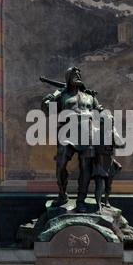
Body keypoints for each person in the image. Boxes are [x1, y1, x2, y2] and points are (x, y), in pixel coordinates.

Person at [41, 66, 104, 213]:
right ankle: (62, 194)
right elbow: (47, 111)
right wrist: (49, 98)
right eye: (74, 74)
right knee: (61, 164)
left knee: (85, 166)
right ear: (68, 78)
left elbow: (100, 111)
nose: (77, 76)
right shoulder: (62, 96)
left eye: (79, 74)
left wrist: (106, 118)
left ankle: (81, 200)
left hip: (87, 132)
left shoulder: (90, 97)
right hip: (67, 131)